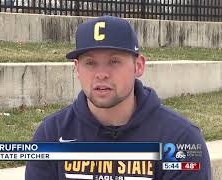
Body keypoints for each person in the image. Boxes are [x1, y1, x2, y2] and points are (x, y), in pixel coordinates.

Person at [25, 16, 211, 180]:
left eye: (114, 61)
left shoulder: (180, 140)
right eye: (90, 63)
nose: (101, 74)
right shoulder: (51, 135)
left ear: (138, 66)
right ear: (77, 68)